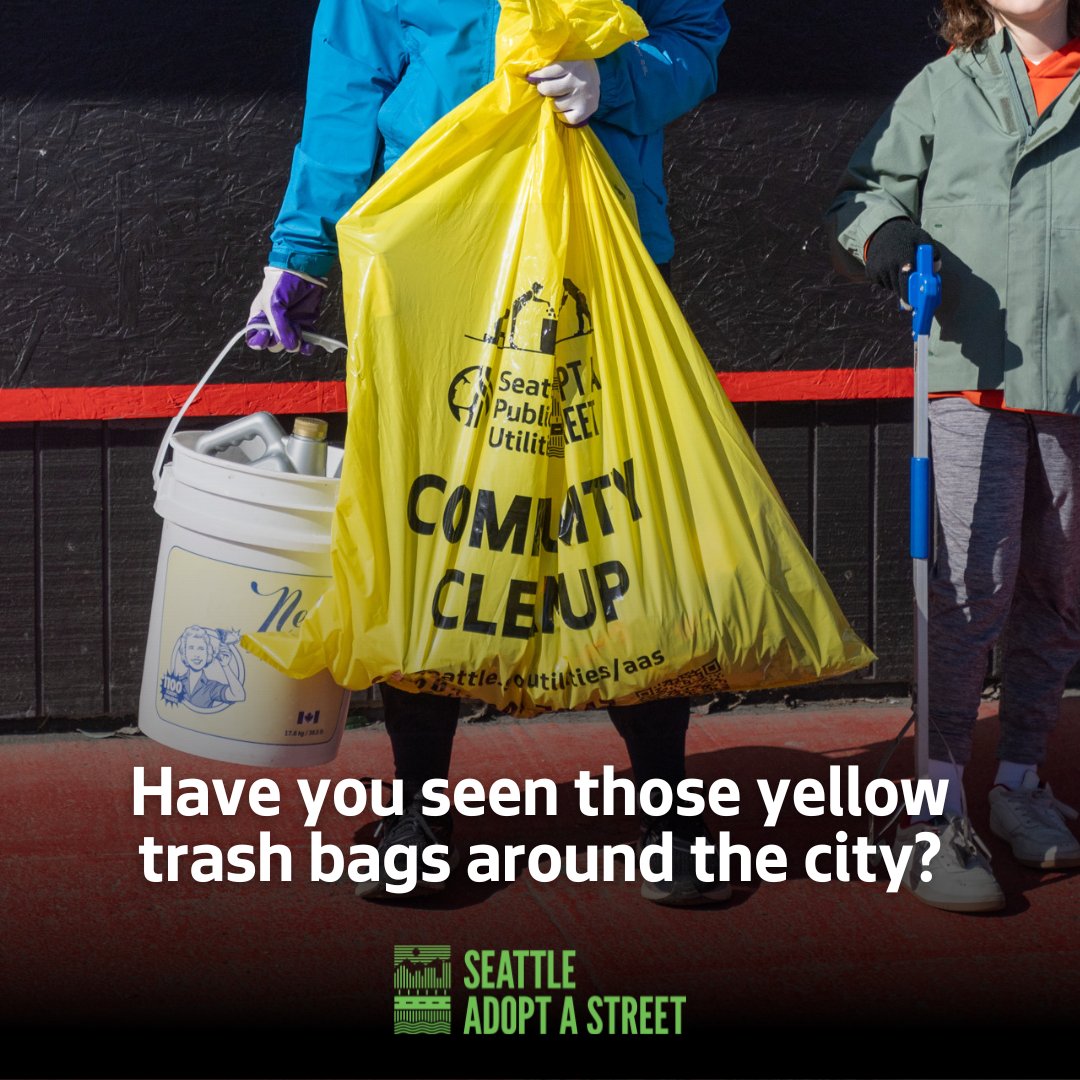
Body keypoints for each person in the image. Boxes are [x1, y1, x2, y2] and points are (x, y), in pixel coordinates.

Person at [245, 0, 732, 906]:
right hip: (434, 252)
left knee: (623, 527)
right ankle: (420, 812)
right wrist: (302, 249)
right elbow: (350, 82)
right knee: (431, 530)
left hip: (602, 248)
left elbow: (697, 38)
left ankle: (666, 812)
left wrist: (616, 79)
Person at [827, 0, 1080, 913]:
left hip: (1075, 385)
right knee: (971, 587)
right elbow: (863, 196)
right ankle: (935, 807)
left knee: (1058, 591)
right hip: (969, 375)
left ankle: (1020, 783)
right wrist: (893, 243)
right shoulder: (944, 86)